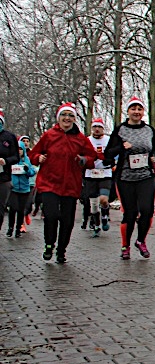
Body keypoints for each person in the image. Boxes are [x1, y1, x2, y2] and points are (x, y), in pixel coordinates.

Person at [28, 102, 98, 263]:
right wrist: (38, 158)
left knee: (67, 220)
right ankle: (49, 244)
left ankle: (61, 250)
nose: (67, 118)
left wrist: (83, 160)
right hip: (49, 183)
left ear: (74, 119)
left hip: (70, 185)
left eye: (70, 115)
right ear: (58, 118)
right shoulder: (49, 135)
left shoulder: (80, 138)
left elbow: (92, 157)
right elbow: (33, 154)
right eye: (64, 115)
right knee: (51, 215)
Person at [105, 96, 155, 260]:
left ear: (143, 112)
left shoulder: (149, 130)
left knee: (147, 210)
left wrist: (153, 156)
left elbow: (154, 149)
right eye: (133, 109)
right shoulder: (120, 130)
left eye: (139, 109)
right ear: (128, 111)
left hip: (145, 176)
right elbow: (108, 154)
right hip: (126, 178)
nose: (136, 112)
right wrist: (121, 147)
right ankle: (125, 246)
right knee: (130, 213)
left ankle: (141, 240)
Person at [81, 118, 113, 237]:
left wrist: (112, 162)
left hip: (105, 173)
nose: (97, 129)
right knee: (93, 205)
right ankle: (97, 225)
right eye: (95, 127)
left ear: (103, 129)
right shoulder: (87, 141)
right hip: (91, 174)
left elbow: (115, 154)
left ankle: (105, 215)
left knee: (103, 199)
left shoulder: (108, 140)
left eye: (99, 127)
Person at [5, 137, 35, 238]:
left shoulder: (27, 160)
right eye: (17, 149)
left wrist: (27, 169)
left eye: (21, 149)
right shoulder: (11, 160)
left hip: (24, 189)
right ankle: (10, 228)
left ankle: (18, 229)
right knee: (13, 208)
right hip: (13, 188)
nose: (19, 151)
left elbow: (32, 172)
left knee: (21, 210)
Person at [0, 108, 19, 221]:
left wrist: (6, 161)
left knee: (0, 209)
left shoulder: (9, 137)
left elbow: (16, 157)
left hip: (3, 178)